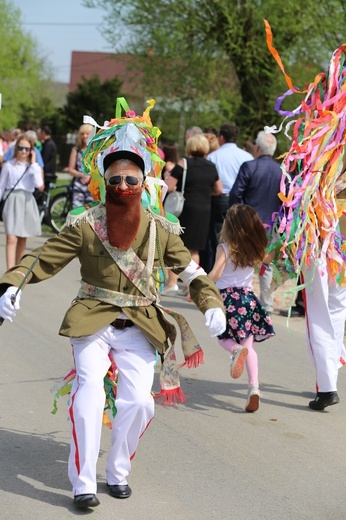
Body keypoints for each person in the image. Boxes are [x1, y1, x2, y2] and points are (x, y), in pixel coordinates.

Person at [0, 98, 226, 509]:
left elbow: (191, 271)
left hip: (140, 325)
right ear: (105, 182)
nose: (123, 187)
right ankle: (82, 484)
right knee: (88, 394)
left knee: (139, 402)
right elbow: (40, 258)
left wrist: (210, 302)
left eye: (130, 180)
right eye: (115, 180)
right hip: (92, 321)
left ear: (144, 183)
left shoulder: (161, 228)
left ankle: (117, 470)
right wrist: (11, 285)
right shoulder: (85, 225)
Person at [265, 26, 346, 410]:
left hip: (322, 237)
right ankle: (335, 363)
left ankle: (327, 383)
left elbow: (299, 189)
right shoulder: (332, 136)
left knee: (321, 310)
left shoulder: (320, 136)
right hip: (335, 238)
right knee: (338, 305)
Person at [208, 204, 275, 412]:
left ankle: (235, 350)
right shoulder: (256, 249)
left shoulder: (226, 248)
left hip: (227, 299)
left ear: (230, 226)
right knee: (250, 345)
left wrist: (200, 286)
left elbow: (216, 274)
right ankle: (254, 386)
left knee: (222, 336)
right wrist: (280, 239)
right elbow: (271, 257)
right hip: (248, 300)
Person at [229, 130, 282, 313]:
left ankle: (241, 302)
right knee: (266, 265)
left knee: (243, 262)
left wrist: (237, 217)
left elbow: (236, 194)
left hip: (248, 223)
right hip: (272, 223)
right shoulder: (281, 170)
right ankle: (266, 305)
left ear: (257, 147)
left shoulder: (249, 166)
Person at [163, 133, 223, 296]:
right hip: (204, 209)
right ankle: (190, 285)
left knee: (175, 245)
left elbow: (168, 186)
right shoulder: (211, 166)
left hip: (185, 208)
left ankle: (172, 283)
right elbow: (219, 189)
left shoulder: (184, 163)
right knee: (194, 249)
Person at [206, 124, 253, 270]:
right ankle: (234, 269)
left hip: (219, 199)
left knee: (216, 237)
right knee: (237, 236)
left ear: (221, 137)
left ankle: (216, 269)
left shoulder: (213, 156)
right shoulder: (247, 157)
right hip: (239, 200)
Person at [0, 134, 44, 268]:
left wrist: (34, 164)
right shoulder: (9, 165)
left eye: (27, 149)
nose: (23, 151)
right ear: (16, 149)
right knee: (11, 237)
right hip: (11, 200)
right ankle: (9, 270)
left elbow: (39, 185)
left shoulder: (33, 167)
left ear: (31, 151)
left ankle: (17, 270)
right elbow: (1, 186)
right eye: (20, 148)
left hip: (26, 201)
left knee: (22, 237)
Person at [67, 123, 94, 208]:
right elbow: (70, 170)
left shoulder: (96, 150)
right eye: (82, 134)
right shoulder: (76, 150)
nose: (84, 136)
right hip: (78, 186)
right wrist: (82, 175)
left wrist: (90, 176)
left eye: (87, 133)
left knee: (92, 215)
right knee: (77, 214)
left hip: (93, 187)